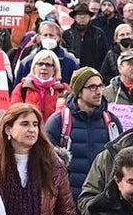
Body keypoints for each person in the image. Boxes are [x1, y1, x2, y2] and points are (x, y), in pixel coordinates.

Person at [43, 66, 123, 198]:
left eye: (100, 86)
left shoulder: (112, 122)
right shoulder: (59, 122)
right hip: (68, 199)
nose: (98, 92)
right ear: (79, 91)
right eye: (92, 87)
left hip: (103, 200)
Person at [11, 49, 69, 121]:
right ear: (34, 67)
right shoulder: (22, 88)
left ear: (54, 69)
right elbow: (13, 114)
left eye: (48, 65)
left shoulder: (63, 90)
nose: (44, 68)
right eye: (40, 64)